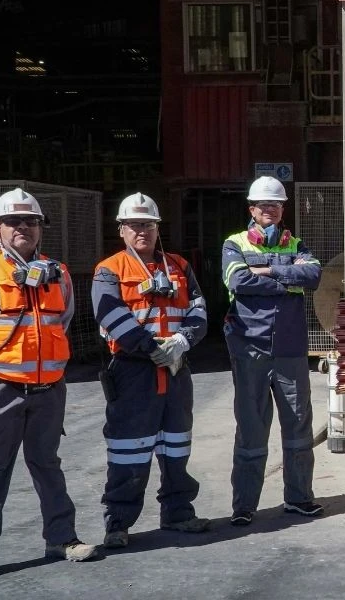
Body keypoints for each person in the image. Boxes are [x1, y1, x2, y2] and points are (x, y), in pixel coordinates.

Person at [0, 188, 100, 585]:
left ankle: (62, 540)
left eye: (31, 221)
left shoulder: (58, 274)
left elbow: (60, 323)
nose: (23, 227)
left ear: (41, 228)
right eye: (13, 221)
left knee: (48, 465)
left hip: (47, 389)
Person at [93, 193, 210, 548]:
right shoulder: (109, 269)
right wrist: (150, 348)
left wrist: (182, 342)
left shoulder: (179, 266)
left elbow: (200, 308)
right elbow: (109, 314)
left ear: (158, 229)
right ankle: (118, 523)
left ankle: (178, 513)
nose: (141, 231)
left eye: (148, 224)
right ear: (122, 230)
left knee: (176, 445)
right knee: (128, 448)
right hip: (133, 371)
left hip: (176, 366)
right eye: (134, 225)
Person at [222, 176, 322, 525]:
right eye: (264, 205)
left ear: (282, 208)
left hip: (290, 348)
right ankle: (244, 506)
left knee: (297, 428)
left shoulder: (296, 242)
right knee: (251, 430)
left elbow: (312, 275)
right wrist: (286, 277)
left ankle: (299, 499)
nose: (270, 209)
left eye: (276, 204)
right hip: (250, 348)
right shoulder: (233, 244)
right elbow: (238, 281)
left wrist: (267, 270)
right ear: (252, 209)